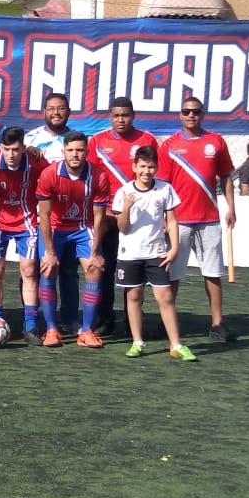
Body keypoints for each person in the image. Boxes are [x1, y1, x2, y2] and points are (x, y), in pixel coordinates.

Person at [157, 97, 236, 342]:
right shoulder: (169, 145)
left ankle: (217, 324)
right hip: (178, 221)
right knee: (172, 275)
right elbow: (162, 186)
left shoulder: (216, 142)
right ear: (180, 115)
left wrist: (231, 207)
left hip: (209, 218)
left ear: (203, 114)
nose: (191, 115)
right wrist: (163, 217)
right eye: (186, 111)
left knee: (212, 273)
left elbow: (225, 177)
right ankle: (167, 324)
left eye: (196, 111)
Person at [110, 145, 196, 361]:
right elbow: (122, 227)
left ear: (156, 168)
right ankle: (137, 342)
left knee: (165, 296)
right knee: (134, 295)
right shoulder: (124, 192)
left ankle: (176, 344)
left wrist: (174, 247)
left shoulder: (165, 189)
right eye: (141, 166)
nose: (146, 171)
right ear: (134, 167)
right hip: (130, 254)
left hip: (156, 252)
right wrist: (127, 207)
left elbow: (173, 221)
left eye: (150, 167)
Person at [86, 96, 159, 335]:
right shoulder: (97, 141)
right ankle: (105, 319)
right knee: (105, 267)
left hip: (138, 219)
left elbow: (156, 177)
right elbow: (92, 179)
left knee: (135, 269)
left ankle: (132, 321)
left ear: (133, 115)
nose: (121, 119)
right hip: (107, 216)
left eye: (125, 115)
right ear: (110, 117)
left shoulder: (146, 140)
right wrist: (101, 209)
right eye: (116, 115)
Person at [36, 130, 110, 348]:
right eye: (70, 150)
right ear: (63, 152)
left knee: (95, 269)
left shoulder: (99, 175)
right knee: (47, 268)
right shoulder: (50, 174)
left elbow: (99, 217)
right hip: (56, 228)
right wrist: (49, 253)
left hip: (82, 227)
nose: (75, 155)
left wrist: (96, 252)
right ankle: (51, 329)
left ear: (87, 151)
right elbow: (45, 216)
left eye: (79, 150)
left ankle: (86, 331)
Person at [0, 127, 49, 345]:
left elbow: (53, 176)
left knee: (29, 271)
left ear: (24, 147)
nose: (11, 154)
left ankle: (30, 326)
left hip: (26, 223)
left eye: (16, 149)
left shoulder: (35, 161)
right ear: (1, 147)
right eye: (7, 149)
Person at [25, 92, 79, 332]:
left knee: (68, 270)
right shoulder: (31, 140)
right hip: (40, 217)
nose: (56, 113)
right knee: (35, 269)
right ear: (44, 111)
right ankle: (33, 318)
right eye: (51, 108)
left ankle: (68, 318)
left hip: (72, 220)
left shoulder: (77, 140)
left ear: (68, 111)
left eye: (61, 108)